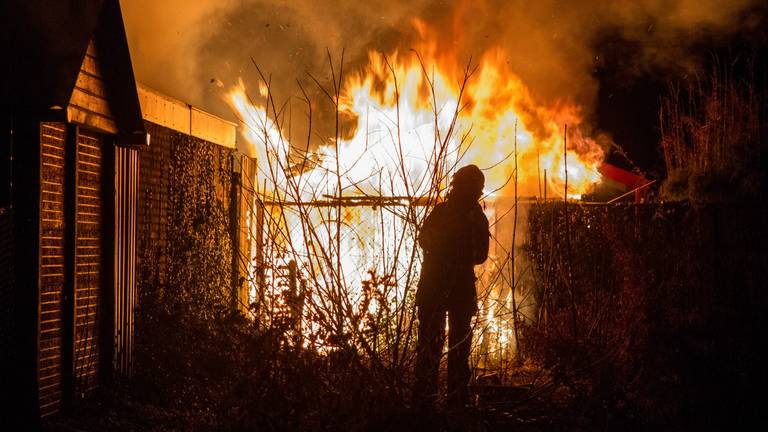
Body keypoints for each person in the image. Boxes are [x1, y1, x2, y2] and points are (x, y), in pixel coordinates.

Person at [414, 164, 489, 410]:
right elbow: (478, 255)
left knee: (439, 345)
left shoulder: (457, 214)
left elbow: (478, 255)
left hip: (443, 287)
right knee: (446, 345)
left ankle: (432, 399)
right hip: (448, 288)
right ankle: (443, 400)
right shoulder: (467, 215)